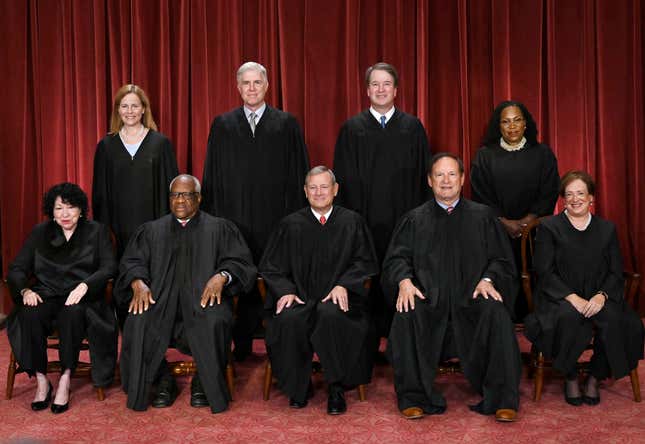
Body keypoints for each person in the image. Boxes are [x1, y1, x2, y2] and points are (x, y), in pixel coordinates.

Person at [382, 153, 521, 422]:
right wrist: (404, 281)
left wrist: (488, 279)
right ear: (430, 181)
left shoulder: (483, 217)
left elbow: (501, 259)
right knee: (407, 313)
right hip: (428, 299)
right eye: (439, 175)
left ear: (462, 179)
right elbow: (396, 258)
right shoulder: (414, 219)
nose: (446, 181)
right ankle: (413, 397)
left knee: (497, 313)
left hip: (471, 298)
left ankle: (503, 399)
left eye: (452, 174)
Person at [116, 174, 256, 414]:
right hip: (160, 301)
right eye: (175, 195)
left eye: (186, 195)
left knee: (215, 320)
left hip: (203, 300)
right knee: (138, 321)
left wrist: (222, 276)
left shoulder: (219, 228)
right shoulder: (151, 231)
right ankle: (162, 379)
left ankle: (204, 379)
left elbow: (241, 263)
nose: (180, 200)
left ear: (199, 198)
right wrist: (138, 281)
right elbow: (131, 262)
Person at [202, 61, 310, 361]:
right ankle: (242, 342)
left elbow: (298, 172)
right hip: (234, 218)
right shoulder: (222, 125)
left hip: (275, 217)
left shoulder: (286, 124)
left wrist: (296, 218)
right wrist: (214, 218)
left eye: (257, 83)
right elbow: (212, 173)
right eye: (246, 83)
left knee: (275, 276)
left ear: (267, 86)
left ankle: (278, 345)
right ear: (238, 88)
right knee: (237, 274)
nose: (251, 88)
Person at [260, 166, 378, 414]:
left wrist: (344, 284)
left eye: (324, 187)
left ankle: (336, 387)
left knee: (331, 315)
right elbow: (270, 267)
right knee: (290, 319)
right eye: (313, 187)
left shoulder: (352, 222)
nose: (319, 192)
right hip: (300, 297)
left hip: (339, 299)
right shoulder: (290, 225)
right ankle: (298, 388)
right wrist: (285, 291)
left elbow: (365, 263)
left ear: (335, 190)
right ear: (305, 191)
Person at [525, 171, 644, 406]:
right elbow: (543, 271)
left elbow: (615, 271)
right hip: (559, 296)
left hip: (599, 295)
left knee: (617, 320)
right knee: (567, 317)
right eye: (568, 194)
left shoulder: (607, 229)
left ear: (591, 198)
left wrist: (601, 296)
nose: (575, 199)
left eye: (580, 193)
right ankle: (569, 375)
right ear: (562, 199)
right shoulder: (549, 227)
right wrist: (572, 297)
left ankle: (595, 376)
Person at [333, 62, 430, 339]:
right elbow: (343, 180)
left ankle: (401, 339)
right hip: (365, 221)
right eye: (375, 84)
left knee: (403, 273)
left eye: (386, 84)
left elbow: (425, 177)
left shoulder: (412, 128)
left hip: (404, 220)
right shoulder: (352, 129)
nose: (381, 89)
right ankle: (367, 342)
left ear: (396, 90)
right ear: (367, 90)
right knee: (367, 279)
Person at [7, 183, 117, 414]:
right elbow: (17, 268)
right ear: (52, 211)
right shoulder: (40, 232)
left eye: (70, 207)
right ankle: (41, 380)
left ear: (80, 209)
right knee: (29, 313)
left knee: (73, 312)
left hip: (82, 297)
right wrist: (26, 291)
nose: (65, 214)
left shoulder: (96, 231)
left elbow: (109, 267)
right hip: (46, 293)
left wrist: (86, 285)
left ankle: (66, 378)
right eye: (59, 208)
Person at [470, 100, 559, 319]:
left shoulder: (542, 154)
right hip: (496, 230)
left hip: (536, 232)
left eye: (517, 120)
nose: (512, 126)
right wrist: (503, 222)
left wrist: (529, 220)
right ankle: (502, 319)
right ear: (498, 126)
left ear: (525, 124)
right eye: (506, 122)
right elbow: (480, 193)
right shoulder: (485, 156)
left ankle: (538, 318)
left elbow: (550, 190)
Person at [92, 84, 179, 259]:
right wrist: (106, 232)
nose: (129, 111)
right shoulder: (106, 146)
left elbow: (172, 188)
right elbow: (100, 193)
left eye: (135, 106)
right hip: (119, 228)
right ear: (117, 110)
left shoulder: (160, 143)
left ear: (144, 109)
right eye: (124, 106)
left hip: (155, 225)